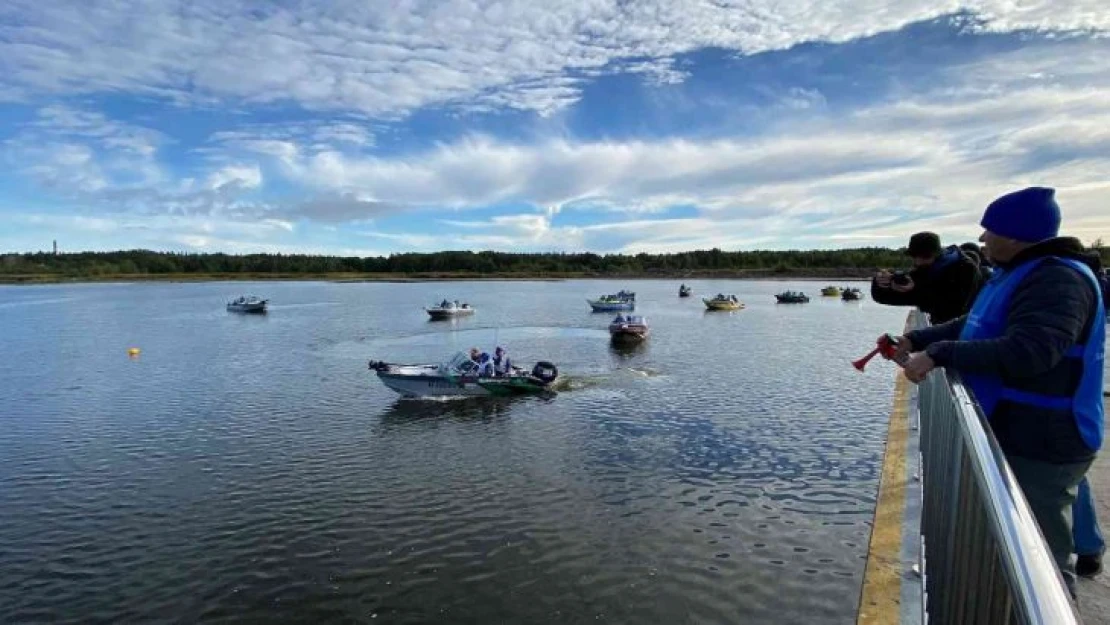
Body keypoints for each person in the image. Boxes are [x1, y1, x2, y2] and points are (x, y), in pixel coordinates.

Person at [893, 187, 1105, 595]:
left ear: (1015, 234)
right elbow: (975, 325)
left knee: (1039, 563)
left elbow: (1031, 352)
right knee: (1022, 547)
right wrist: (920, 339)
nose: (984, 238)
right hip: (1018, 428)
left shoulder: (1056, 279)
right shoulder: (1020, 273)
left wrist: (938, 354)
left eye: (990, 229)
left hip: (1044, 437)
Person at [872, 232, 983, 324]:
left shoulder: (966, 269)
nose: (919, 261)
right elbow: (882, 297)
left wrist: (916, 290)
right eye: (914, 256)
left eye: (925, 256)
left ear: (938, 254)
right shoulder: (924, 270)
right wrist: (882, 282)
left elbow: (954, 309)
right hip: (939, 332)